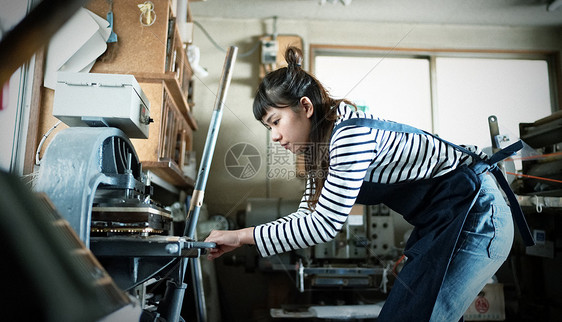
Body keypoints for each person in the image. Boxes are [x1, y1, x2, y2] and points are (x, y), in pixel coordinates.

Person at [204, 46, 534, 321]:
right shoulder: (321, 155)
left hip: (476, 215)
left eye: (276, 122)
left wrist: (239, 236)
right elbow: (307, 217)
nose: (274, 136)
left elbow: (323, 226)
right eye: (268, 128)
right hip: (448, 221)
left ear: (305, 107)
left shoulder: (349, 135)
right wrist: (243, 240)